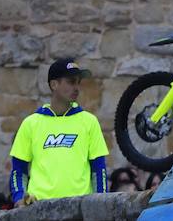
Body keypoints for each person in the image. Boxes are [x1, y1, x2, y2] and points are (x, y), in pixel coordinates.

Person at [9, 58, 109, 204]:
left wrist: (101, 203)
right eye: (71, 82)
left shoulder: (89, 121)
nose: (76, 87)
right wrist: (19, 198)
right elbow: (18, 170)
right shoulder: (31, 123)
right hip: (39, 209)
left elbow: (99, 170)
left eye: (78, 82)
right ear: (54, 84)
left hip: (80, 208)